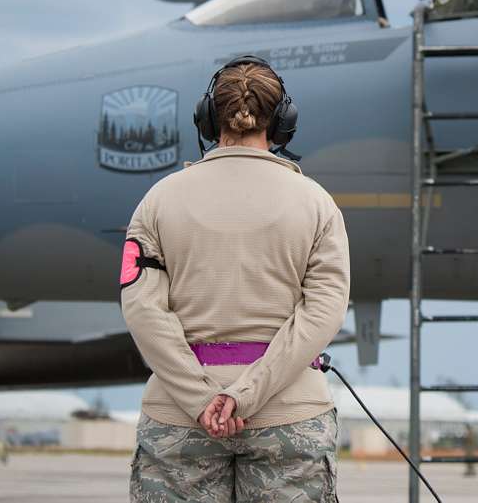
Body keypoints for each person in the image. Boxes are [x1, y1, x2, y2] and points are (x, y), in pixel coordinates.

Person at [121, 55, 351, 503]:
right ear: (283, 121)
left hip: (179, 420)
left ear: (207, 119)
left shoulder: (157, 202)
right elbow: (323, 312)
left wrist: (202, 399)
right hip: (289, 417)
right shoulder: (317, 204)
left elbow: (144, 311)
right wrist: (245, 395)